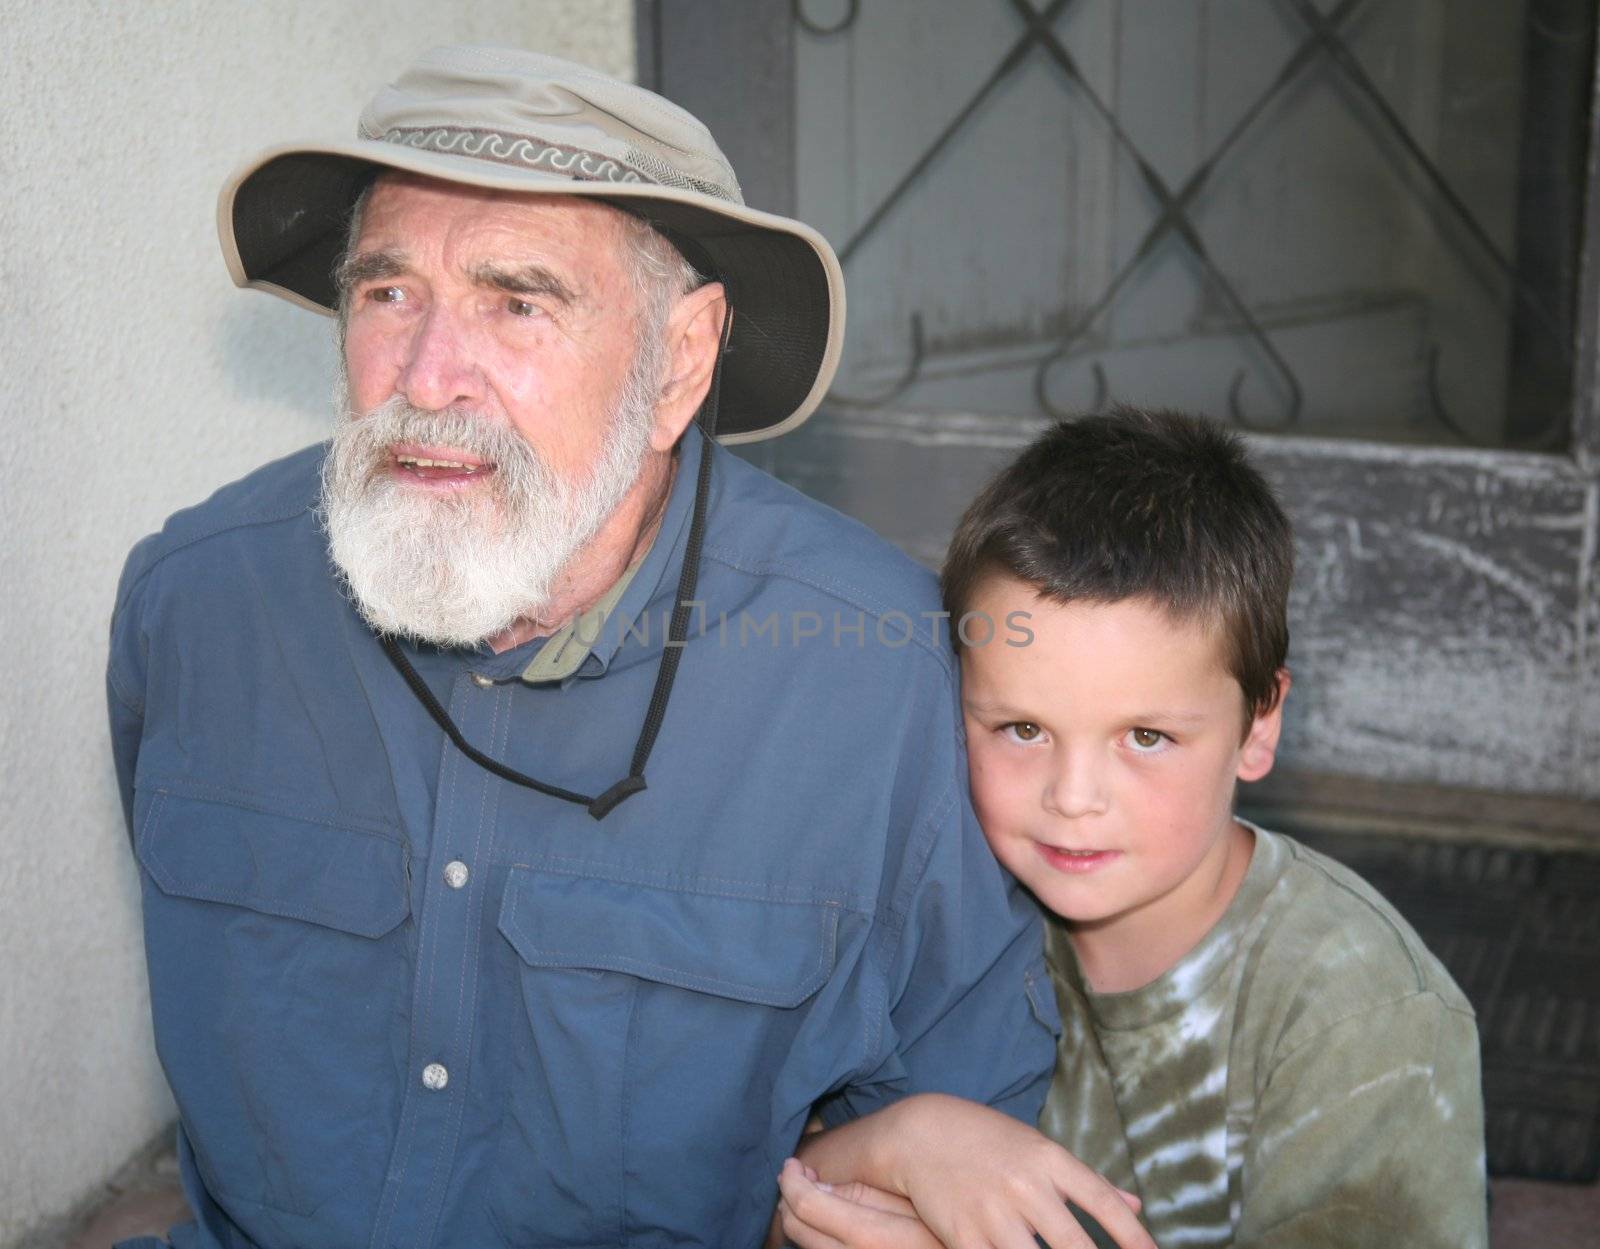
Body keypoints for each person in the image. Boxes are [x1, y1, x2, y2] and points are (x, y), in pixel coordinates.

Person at [106, 46, 1156, 1249]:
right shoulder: (195, 605)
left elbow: (948, 1145)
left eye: (518, 302)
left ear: (680, 363)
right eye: (390, 292)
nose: (429, 377)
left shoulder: (877, 684)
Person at [778, 409, 1488, 1248]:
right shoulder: (919, 915)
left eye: (1146, 737)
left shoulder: (1361, 1016)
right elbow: (763, 1189)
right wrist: (907, 1140)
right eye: (1022, 729)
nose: (1074, 797)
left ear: (1258, 725)